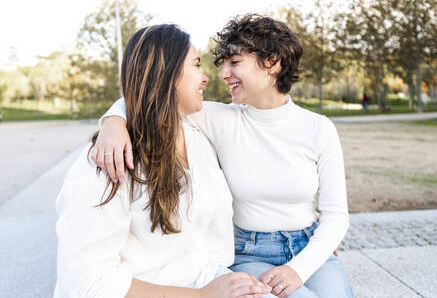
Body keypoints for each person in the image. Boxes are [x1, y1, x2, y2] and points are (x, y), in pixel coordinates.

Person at [93, 15, 354, 298]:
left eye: (235, 62)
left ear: (272, 63)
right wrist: (113, 122)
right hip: (250, 253)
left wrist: (299, 269)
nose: (222, 74)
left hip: (310, 248)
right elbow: (154, 95)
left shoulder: (319, 128)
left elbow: (336, 216)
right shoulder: (219, 119)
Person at [55, 24, 272, 298]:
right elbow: (87, 284)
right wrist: (204, 296)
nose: (206, 78)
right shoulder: (107, 162)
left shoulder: (198, 134)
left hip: (210, 278)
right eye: (196, 65)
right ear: (167, 75)